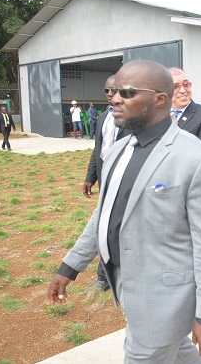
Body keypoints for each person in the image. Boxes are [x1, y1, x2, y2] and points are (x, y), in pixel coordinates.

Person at [48, 60, 201, 363]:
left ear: (160, 99)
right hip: (128, 287)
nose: (115, 98)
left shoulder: (197, 159)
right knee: (178, 350)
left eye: (128, 92)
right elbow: (104, 214)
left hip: (164, 297)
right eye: (115, 91)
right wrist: (70, 266)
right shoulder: (119, 149)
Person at [82, 75, 129, 292]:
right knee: (105, 225)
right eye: (106, 91)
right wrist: (90, 177)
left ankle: (118, 274)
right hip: (105, 180)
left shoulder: (133, 116)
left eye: (114, 90)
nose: (110, 94)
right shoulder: (102, 117)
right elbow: (97, 150)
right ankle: (104, 277)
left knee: (119, 226)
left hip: (127, 181)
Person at [168, 68, 201, 153]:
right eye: (175, 87)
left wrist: (176, 131)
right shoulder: (156, 115)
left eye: (186, 84)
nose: (182, 90)